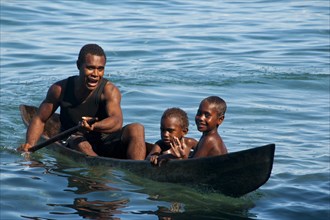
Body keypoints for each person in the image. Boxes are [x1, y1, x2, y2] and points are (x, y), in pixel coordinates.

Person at [18, 44, 146, 160]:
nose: (95, 74)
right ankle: (99, 168)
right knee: (79, 141)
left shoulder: (109, 90)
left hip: (105, 142)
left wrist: (94, 126)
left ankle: (139, 167)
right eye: (90, 68)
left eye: (100, 69)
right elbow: (40, 119)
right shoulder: (59, 89)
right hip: (73, 141)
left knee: (137, 128)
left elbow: (117, 121)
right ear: (78, 65)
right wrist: (29, 146)